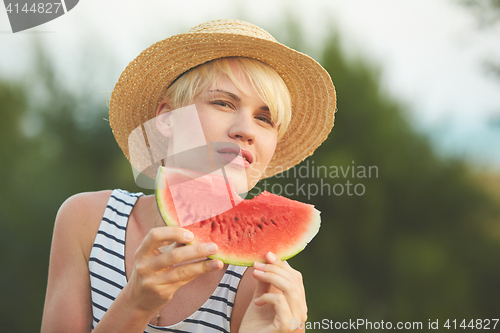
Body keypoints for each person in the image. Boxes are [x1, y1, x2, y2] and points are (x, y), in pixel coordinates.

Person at [41, 19, 336, 333]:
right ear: (167, 118)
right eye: (223, 103)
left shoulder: (259, 282)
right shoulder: (87, 221)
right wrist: (135, 305)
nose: (246, 130)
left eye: (264, 118)